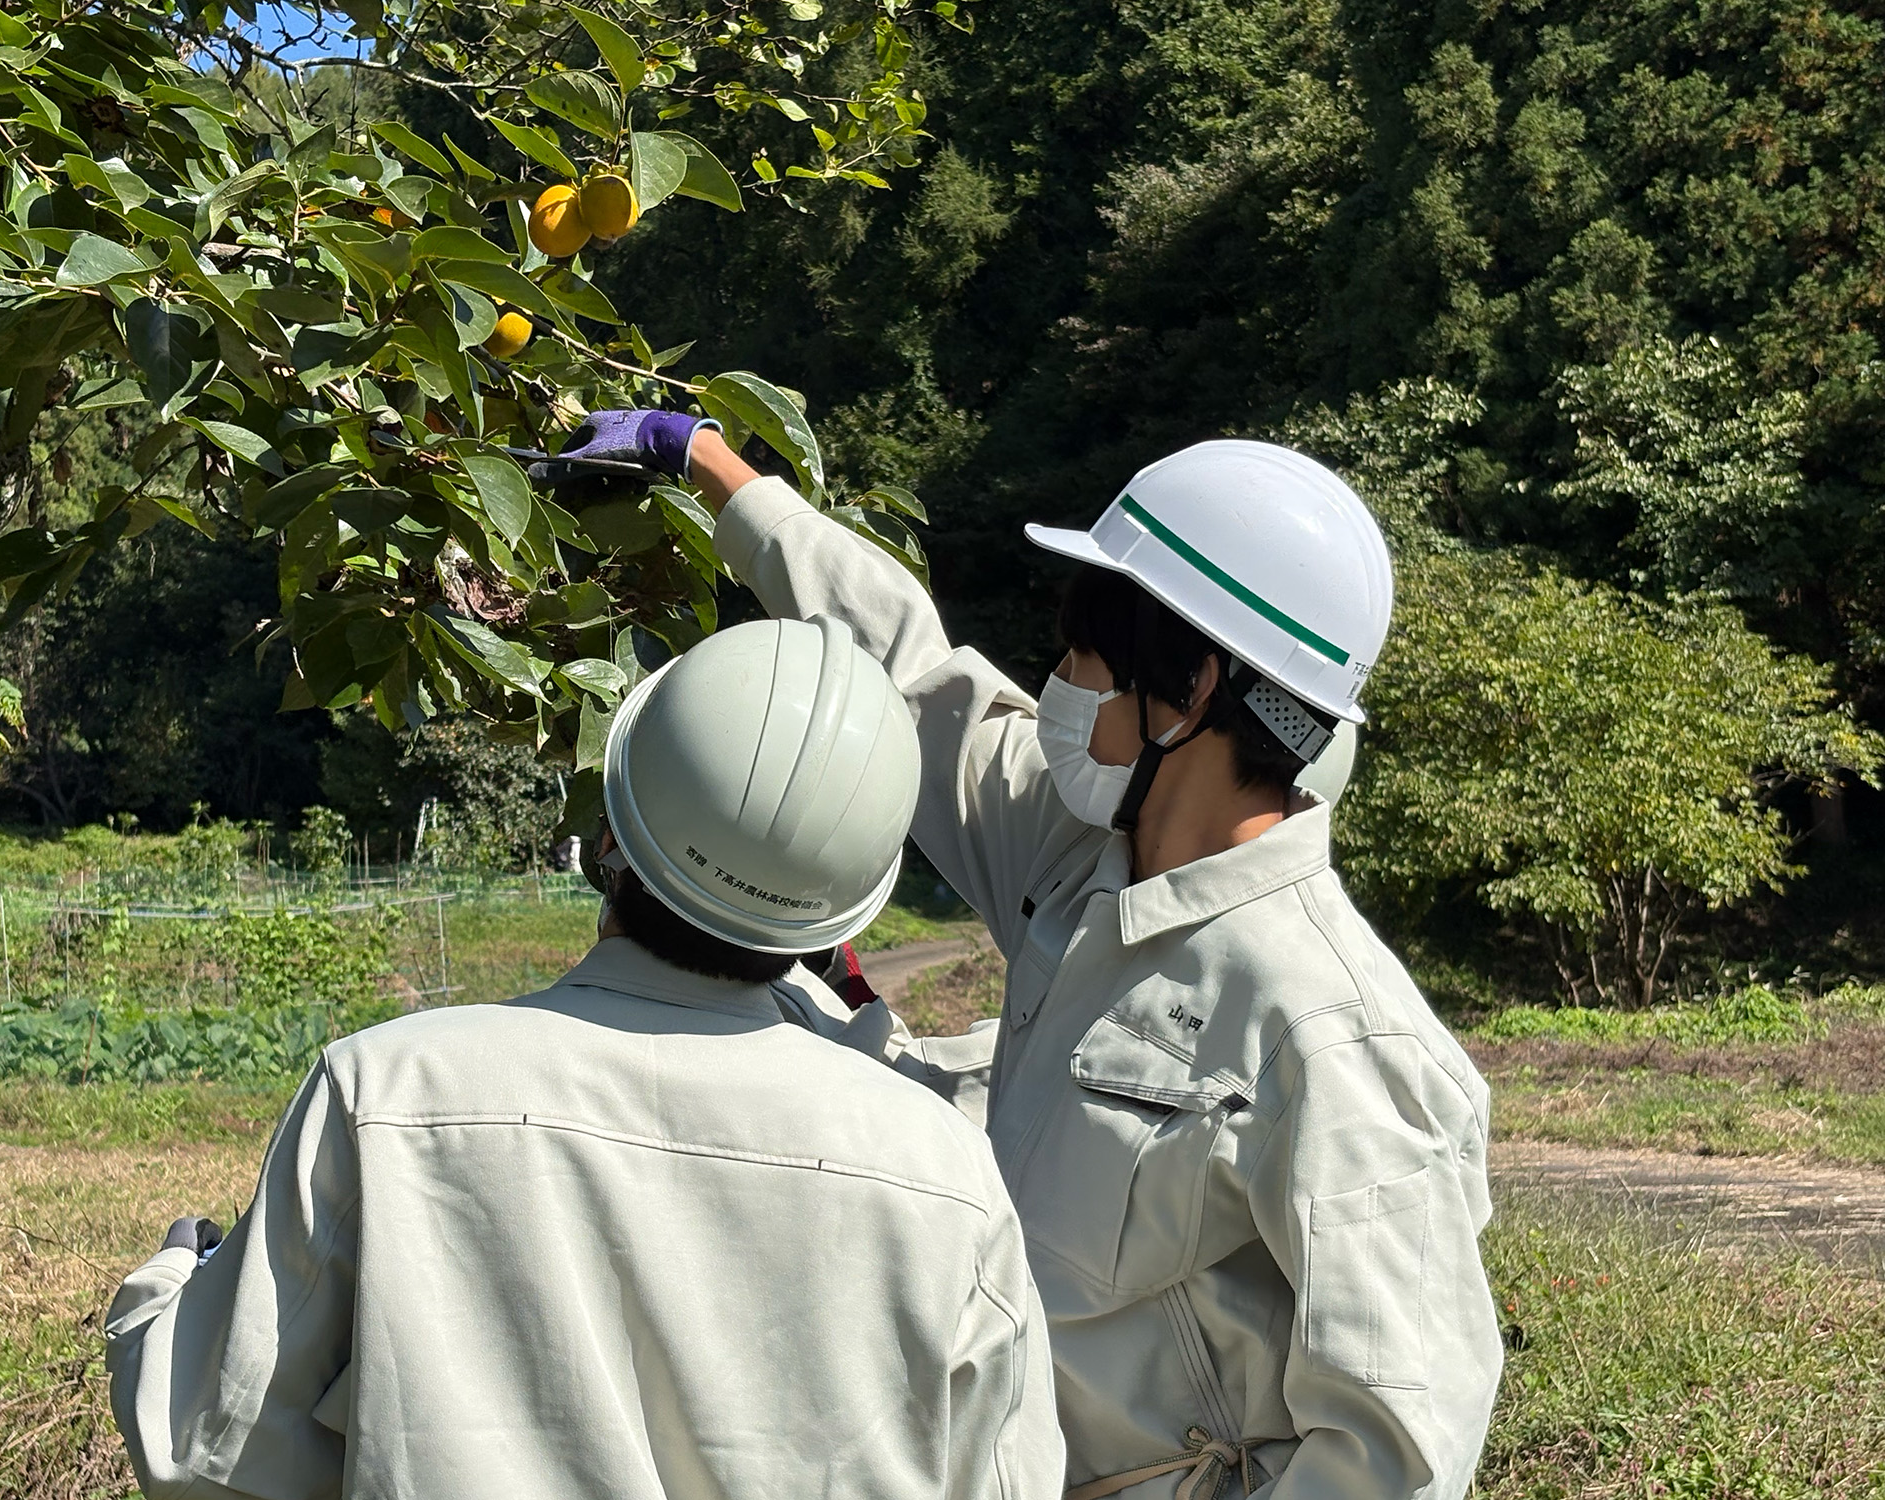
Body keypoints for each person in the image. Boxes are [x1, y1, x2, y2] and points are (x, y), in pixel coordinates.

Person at [559, 411, 1503, 1499]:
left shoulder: (1327, 1030)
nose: (1054, 691)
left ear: (1189, 689)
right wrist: (714, 470)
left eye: (1079, 661)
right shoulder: (1085, 860)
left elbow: (1399, 1440)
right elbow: (910, 674)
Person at [104, 615, 1065, 1500]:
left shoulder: (388, 1093)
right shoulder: (946, 1174)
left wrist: (168, 1285)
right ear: (846, 910)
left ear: (612, 833)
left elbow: (203, 1447)